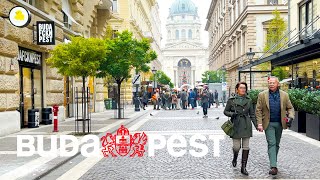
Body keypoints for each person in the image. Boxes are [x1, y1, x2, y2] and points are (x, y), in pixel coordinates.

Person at [256, 76, 294, 175]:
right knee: (271, 143)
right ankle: (273, 166)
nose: (271, 84)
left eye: (273, 83)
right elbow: (258, 110)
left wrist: (290, 116)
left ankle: (273, 161)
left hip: (280, 123)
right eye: (270, 83)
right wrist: (259, 123)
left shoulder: (284, 95)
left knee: (276, 144)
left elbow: (290, 108)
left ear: (277, 84)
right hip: (268, 123)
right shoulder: (262, 95)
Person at [223, 82, 258, 176]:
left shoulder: (249, 100)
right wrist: (232, 114)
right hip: (236, 124)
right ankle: (235, 157)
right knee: (236, 147)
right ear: (237, 89)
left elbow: (252, 114)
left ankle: (243, 167)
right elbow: (225, 111)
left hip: (246, 124)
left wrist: (257, 125)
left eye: (244, 88)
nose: (243, 89)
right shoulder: (231, 100)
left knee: (246, 147)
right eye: (241, 88)